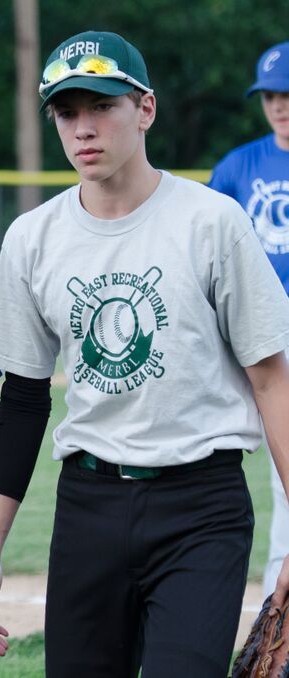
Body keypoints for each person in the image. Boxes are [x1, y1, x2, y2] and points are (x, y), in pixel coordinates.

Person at [0, 30, 289, 676]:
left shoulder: (211, 221)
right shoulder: (32, 239)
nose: (82, 128)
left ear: (145, 109)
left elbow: (272, 381)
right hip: (89, 506)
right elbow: (25, 402)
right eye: (66, 112)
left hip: (203, 505)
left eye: (101, 107)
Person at [209, 40, 289, 599]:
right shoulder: (239, 166)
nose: (280, 105)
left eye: (288, 93)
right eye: (270, 95)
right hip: (257, 340)